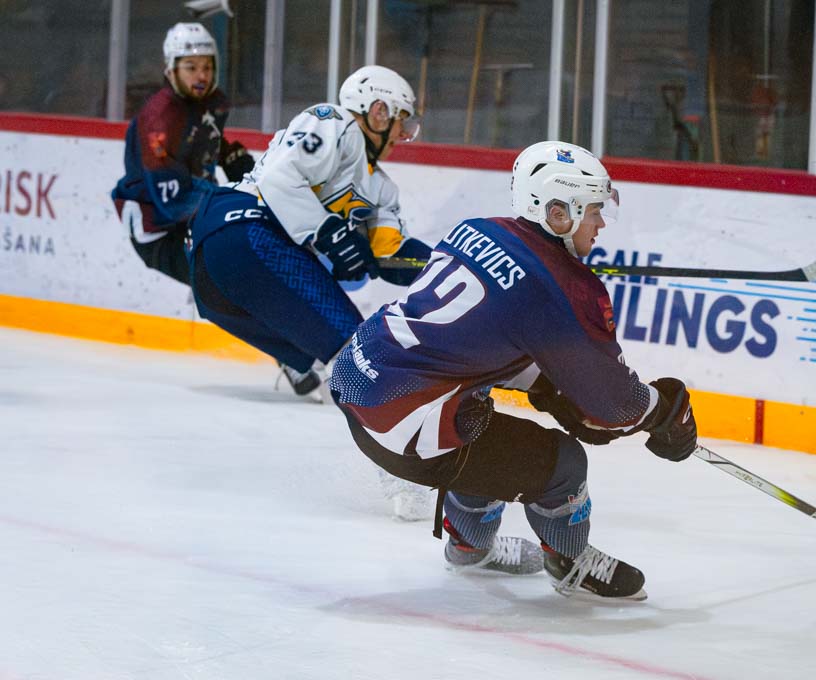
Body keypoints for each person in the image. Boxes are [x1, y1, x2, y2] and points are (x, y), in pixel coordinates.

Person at [330, 141, 699, 600]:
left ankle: (469, 548)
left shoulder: (474, 230)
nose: (601, 223)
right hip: (403, 429)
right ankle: (569, 563)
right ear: (559, 213)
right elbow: (614, 405)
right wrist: (666, 412)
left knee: (481, 426)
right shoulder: (562, 289)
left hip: (354, 383)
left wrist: (546, 388)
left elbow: (469, 338)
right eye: (594, 211)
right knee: (564, 465)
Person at [186, 64, 435, 520]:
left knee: (341, 360)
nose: (404, 134)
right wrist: (327, 232)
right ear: (378, 111)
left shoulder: (382, 190)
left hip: (219, 278)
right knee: (359, 356)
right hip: (242, 231)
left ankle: (393, 459)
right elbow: (280, 178)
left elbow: (391, 255)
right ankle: (403, 472)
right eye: (402, 120)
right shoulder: (332, 124)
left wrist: (443, 267)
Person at [112, 22, 254, 286]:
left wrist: (232, 158)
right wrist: (234, 200)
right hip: (158, 230)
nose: (201, 75)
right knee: (230, 277)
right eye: (191, 67)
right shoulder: (159, 118)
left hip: (192, 216)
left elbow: (200, 143)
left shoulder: (209, 102)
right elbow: (173, 200)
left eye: (207, 67)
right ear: (171, 69)